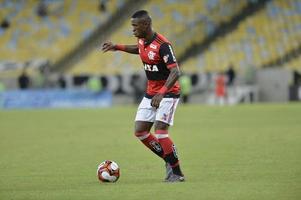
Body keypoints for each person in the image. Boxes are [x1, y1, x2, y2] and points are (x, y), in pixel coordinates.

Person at [102, 10, 184, 182]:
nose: (132, 29)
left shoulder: (163, 45)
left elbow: (176, 71)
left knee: (160, 131)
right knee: (140, 131)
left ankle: (177, 173)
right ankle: (169, 159)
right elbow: (139, 49)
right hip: (151, 92)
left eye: (135, 25)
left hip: (168, 93)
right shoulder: (142, 40)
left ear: (146, 25)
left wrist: (162, 93)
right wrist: (117, 47)